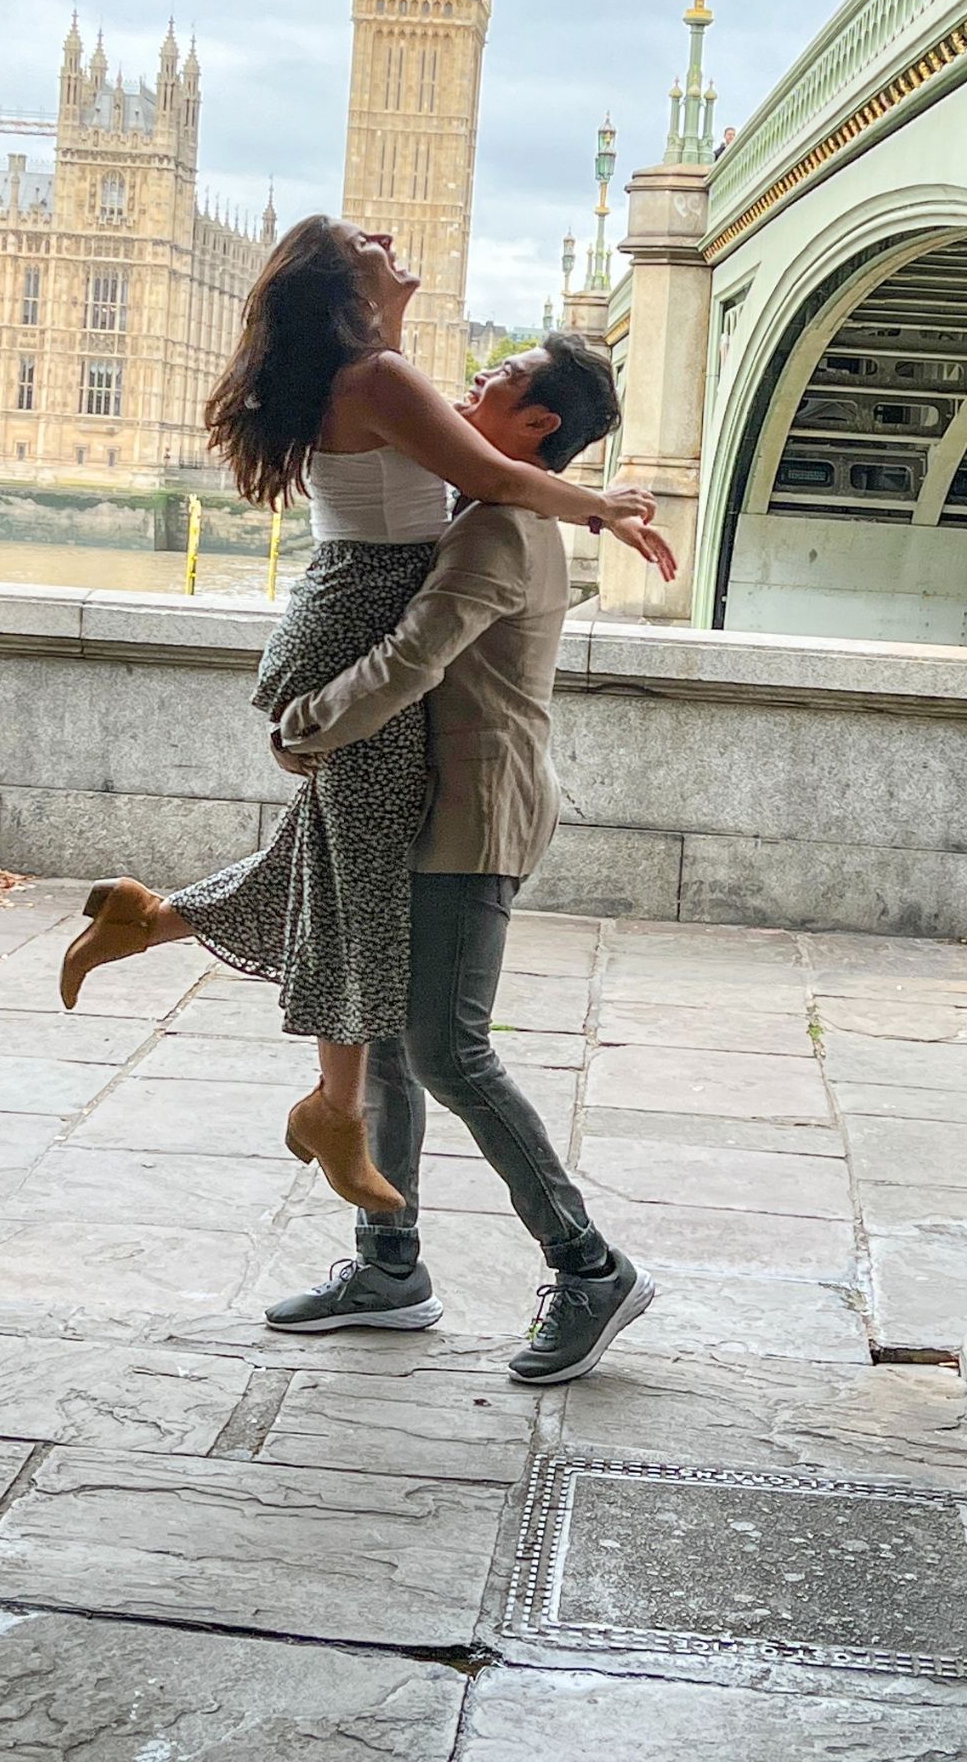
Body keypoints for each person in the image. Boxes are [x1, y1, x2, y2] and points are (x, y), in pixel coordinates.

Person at [57, 217, 672, 1220]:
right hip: (359, 629)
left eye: (505, 373)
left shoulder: (370, 373)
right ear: (343, 291)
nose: (389, 235)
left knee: (322, 858)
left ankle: (151, 920)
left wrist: (388, 302)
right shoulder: (381, 381)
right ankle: (337, 1113)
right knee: (360, 899)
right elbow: (487, 481)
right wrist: (596, 505)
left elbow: (472, 459)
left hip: (342, 613)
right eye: (365, 244)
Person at [262, 331, 659, 1386]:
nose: (470, 381)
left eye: (498, 379)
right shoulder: (495, 507)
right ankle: (388, 1267)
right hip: (437, 809)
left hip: (470, 819)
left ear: (536, 424)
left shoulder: (496, 527)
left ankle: (589, 1267)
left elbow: (412, 656)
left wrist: (309, 724)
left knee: (446, 1050)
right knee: (389, 1042)